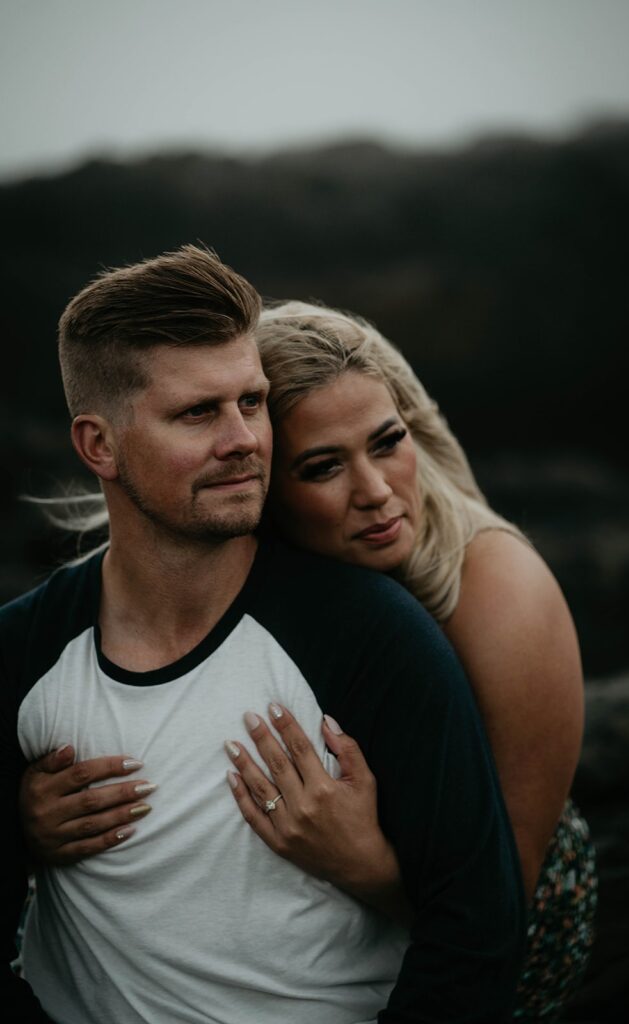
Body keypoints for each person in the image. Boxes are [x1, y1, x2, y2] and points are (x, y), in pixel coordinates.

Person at [22, 298, 597, 1020]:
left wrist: (364, 863)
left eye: (387, 441)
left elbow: (496, 907)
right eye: (322, 466)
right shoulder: (235, 572)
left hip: (519, 903)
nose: (377, 492)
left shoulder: (493, 589)